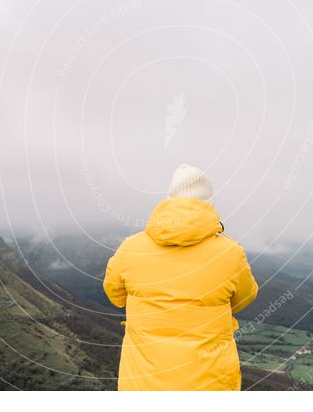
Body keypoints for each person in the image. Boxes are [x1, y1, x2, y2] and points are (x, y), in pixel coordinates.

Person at [102, 163, 258, 391]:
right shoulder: (231, 252)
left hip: (142, 381)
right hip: (209, 381)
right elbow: (245, 299)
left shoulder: (131, 247)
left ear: (169, 200)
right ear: (208, 204)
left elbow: (115, 296)